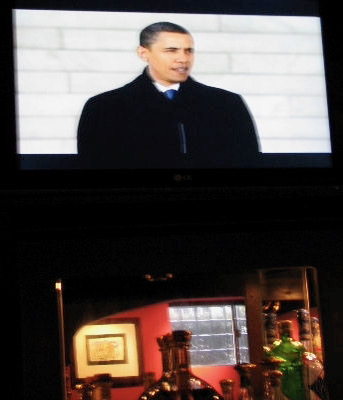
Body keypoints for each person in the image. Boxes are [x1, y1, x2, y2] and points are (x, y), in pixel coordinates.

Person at [77, 22, 261, 169]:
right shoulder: (103, 107)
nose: (183, 59)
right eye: (171, 50)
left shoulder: (227, 104)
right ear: (143, 53)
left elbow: (249, 163)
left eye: (188, 50)